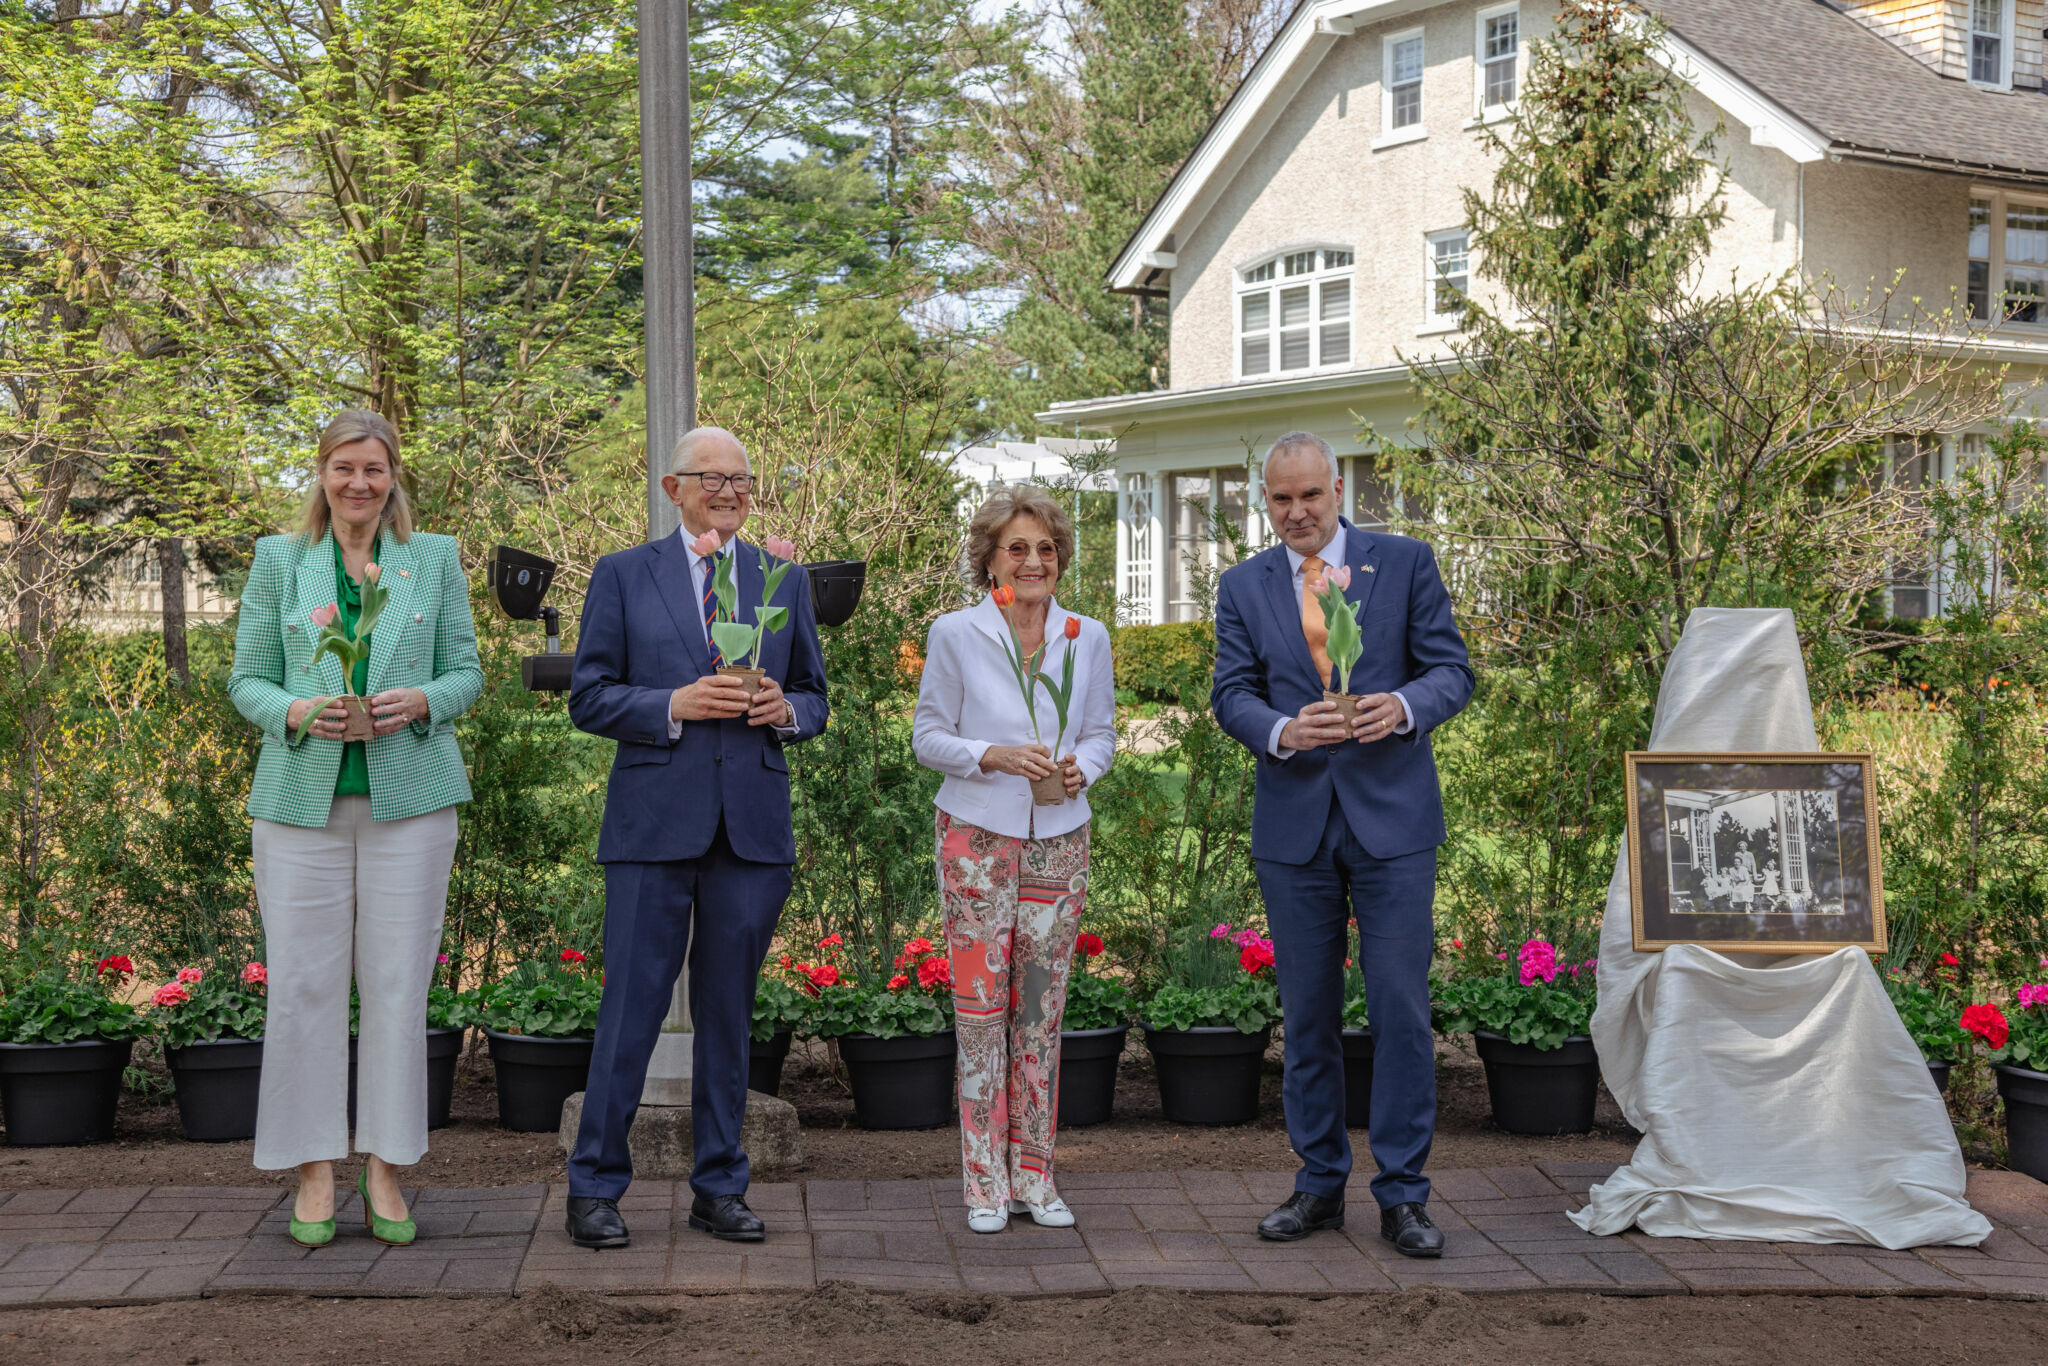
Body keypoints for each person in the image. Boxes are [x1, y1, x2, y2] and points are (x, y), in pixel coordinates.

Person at [563, 426, 829, 1249]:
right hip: (653, 826)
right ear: (673, 487)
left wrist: (787, 712)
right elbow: (589, 696)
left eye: (741, 480)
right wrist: (673, 705)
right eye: (710, 478)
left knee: (728, 1016)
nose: (728, 491)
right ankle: (595, 1189)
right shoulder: (622, 575)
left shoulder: (780, 576)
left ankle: (720, 1187)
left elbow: (817, 696)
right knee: (630, 1013)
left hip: (750, 831)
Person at [1211, 431, 1474, 1257]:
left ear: (1336, 489)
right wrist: (1284, 729)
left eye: (1310, 496)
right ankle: (1318, 1184)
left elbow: (1451, 671)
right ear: (1267, 501)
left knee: (1399, 1010)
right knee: (1308, 1016)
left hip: (1394, 825)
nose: (1297, 513)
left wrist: (1401, 707)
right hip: (1294, 830)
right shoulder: (1243, 586)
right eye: (1280, 500)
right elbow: (1231, 694)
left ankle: (1403, 1196)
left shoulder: (1406, 562)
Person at [228, 409, 484, 1249]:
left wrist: (423, 700)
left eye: (374, 470)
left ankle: (384, 1166)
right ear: (322, 473)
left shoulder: (433, 559)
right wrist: (299, 709)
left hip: (411, 801)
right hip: (298, 806)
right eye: (345, 468)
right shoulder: (279, 561)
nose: (359, 484)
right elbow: (248, 682)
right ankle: (311, 1170)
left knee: (398, 987)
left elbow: (466, 672)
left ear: (392, 476)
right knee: (303, 988)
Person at [911, 486, 1116, 1235]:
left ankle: (1035, 1177)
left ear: (1060, 559)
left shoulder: (1083, 634)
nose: (1034, 561)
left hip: (1061, 835)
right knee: (979, 1010)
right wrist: (989, 755)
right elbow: (928, 737)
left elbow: (1101, 735)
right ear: (991, 559)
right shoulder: (957, 633)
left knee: (1040, 1012)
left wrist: (1080, 772)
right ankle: (983, 1183)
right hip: (977, 837)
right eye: (1017, 549)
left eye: (1046, 549)